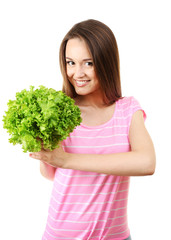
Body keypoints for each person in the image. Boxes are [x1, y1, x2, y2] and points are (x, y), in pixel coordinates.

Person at [30, 19, 156, 240]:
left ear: (106, 62)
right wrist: (46, 152)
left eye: (88, 63)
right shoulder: (61, 110)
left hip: (115, 236)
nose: (77, 73)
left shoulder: (127, 110)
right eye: (70, 62)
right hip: (61, 234)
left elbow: (146, 163)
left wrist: (67, 160)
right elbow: (49, 173)